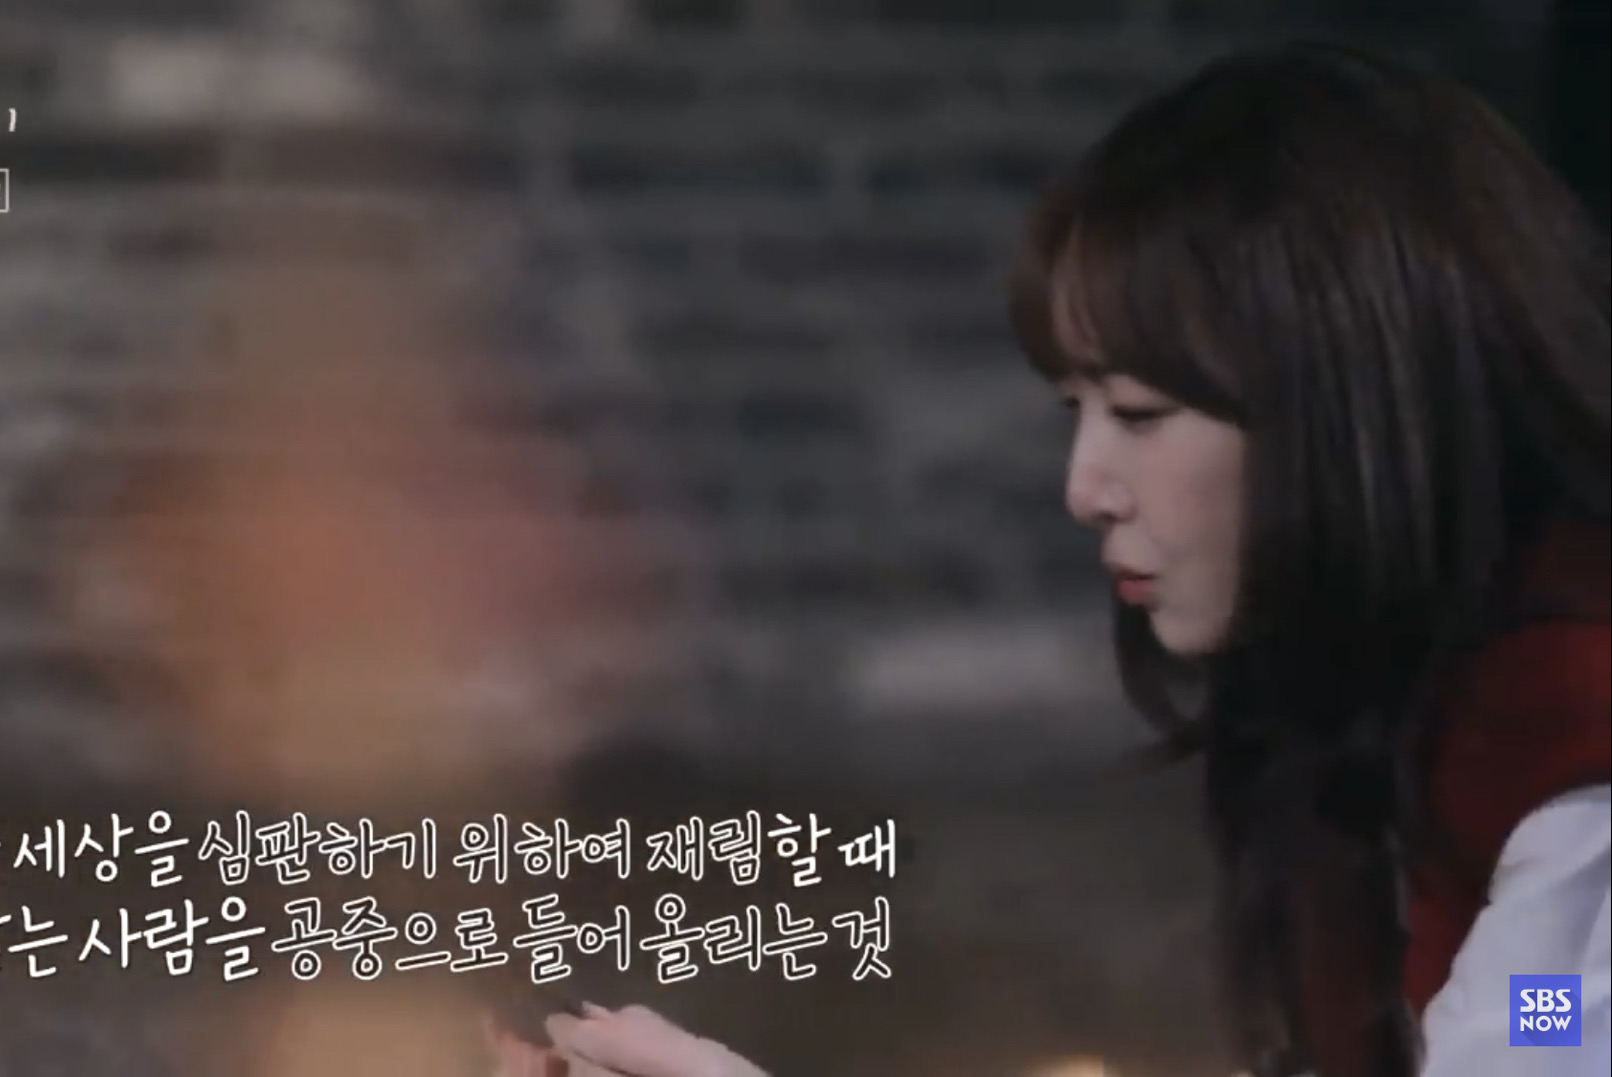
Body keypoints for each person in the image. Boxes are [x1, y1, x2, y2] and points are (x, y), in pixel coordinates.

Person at [498, 43, 1611, 1077]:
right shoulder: (1369, 723)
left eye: (1141, 412)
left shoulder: (1568, 748)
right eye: (1077, 409)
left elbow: (1538, 1038)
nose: (1084, 489)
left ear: (1346, 404)